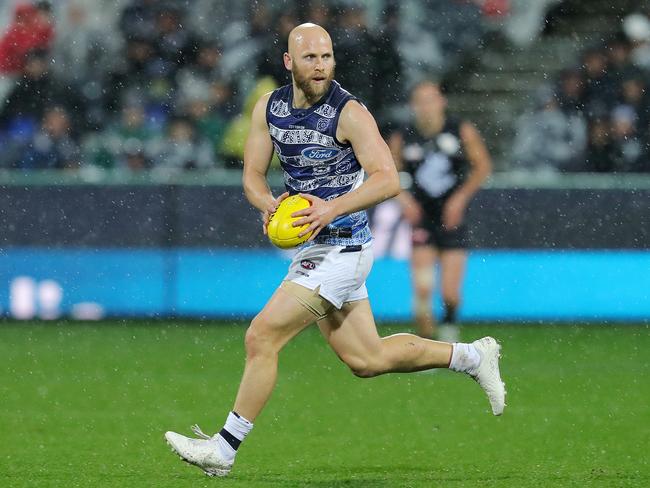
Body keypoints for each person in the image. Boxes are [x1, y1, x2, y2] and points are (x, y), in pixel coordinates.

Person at [164, 23, 505, 478]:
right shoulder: (270, 107)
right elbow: (251, 175)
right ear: (289, 62)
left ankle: (223, 451)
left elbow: (386, 177)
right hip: (319, 247)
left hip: (342, 247)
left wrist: (332, 209)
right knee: (368, 360)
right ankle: (472, 356)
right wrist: (269, 204)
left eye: (326, 56)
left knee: (261, 336)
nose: (320, 65)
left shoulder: (349, 112)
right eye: (310, 58)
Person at [390, 81, 492, 340]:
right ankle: (425, 344)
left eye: (431, 100)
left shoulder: (460, 131)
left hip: (451, 218)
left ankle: (448, 327)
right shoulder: (404, 136)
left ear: (441, 102)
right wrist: (405, 201)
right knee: (423, 289)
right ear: (413, 106)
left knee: (449, 293)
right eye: (420, 101)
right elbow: (386, 175)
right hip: (421, 218)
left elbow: (482, 167)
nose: (426, 107)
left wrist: (459, 199)